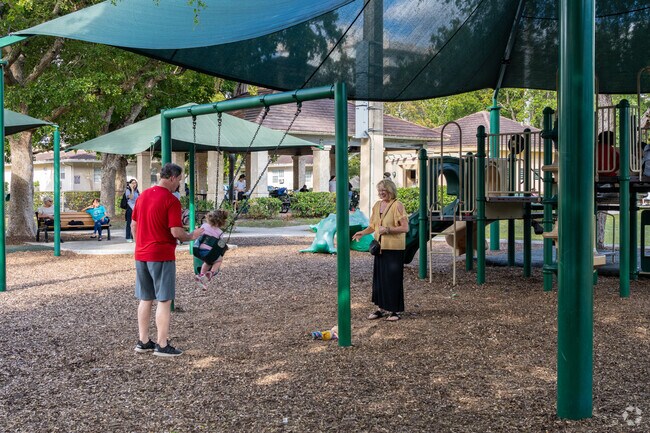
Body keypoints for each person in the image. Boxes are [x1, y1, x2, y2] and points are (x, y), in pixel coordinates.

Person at [131, 163, 204, 357]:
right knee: (164, 299)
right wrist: (192, 235)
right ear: (172, 178)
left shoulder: (143, 195)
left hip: (141, 254)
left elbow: (133, 225)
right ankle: (162, 344)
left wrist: (140, 244)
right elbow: (176, 232)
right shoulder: (171, 201)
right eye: (179, 180)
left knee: (145, 298)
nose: (179, 184)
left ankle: (143, 341)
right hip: (161, 255)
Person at [352, 179, 408, 322]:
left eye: (384, 190)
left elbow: (405, 228)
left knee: (393, 280)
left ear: (391, 190)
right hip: (380, 249)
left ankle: (394, 311)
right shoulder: (377, 206)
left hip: (394, 248)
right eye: (380, 190)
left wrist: (388, 229)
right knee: (380, 280)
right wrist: (362, 233)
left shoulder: (397, 205)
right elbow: (373, 226)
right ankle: (380, 308)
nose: (381, 193)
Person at [194, 209, 229, 288]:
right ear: (221, 222)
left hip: (198, 250)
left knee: (208, 262)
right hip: (209, 253)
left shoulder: (204, 226)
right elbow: (220, 244)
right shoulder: (220, 232)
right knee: (219, 260)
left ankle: (201, 276)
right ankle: (211, 273)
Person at [125, 179, 140, 243]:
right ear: (130, 184)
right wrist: (132, 189)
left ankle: (135, 236)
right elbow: (131, 197)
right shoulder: (128, 190)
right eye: (133, 183)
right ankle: (128, 237)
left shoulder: (137, 191)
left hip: (136, 208)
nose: (134, 184)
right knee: (129, 223)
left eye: (135, 183)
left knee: (136, 223)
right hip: (130, 208)